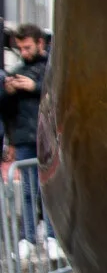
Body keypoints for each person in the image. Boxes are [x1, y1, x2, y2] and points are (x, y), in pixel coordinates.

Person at [1, 22, 52, 255]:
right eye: (20, 48)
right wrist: (8, 93)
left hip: (49, 136)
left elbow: (61, 95)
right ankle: (28, 238)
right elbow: (7, 112)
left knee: (50, 190)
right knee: (30, 191)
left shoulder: (52, 68)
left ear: (40, 43)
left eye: (27, 47)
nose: (23, 52)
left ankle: (53, 237)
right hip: (24, 138)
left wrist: (35, 86)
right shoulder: (17, 71)